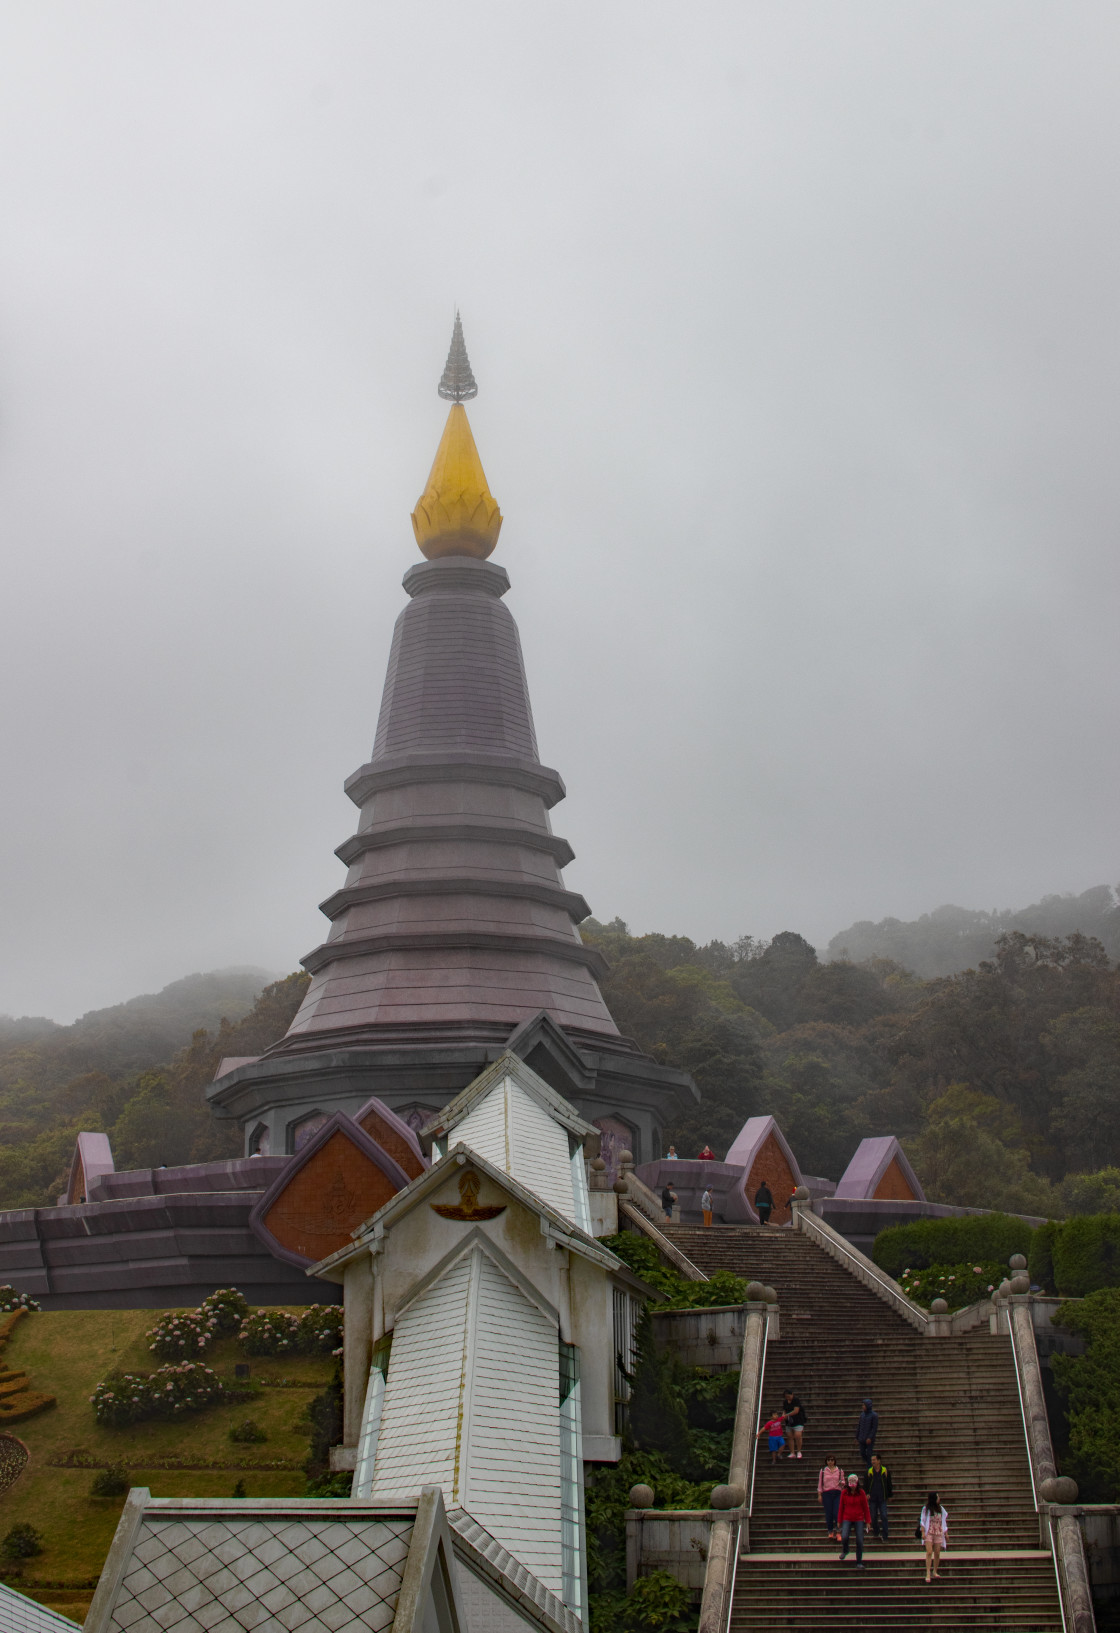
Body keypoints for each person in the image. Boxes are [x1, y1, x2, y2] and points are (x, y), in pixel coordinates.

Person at [837, 1473, 870, 1567]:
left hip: (859, 1518)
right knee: (844, 1536)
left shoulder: (861, 1493)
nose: (852, 1488)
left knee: (859, 1540)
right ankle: (845, 1550)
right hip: (847, 1517)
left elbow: (865, 1508)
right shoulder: (844, 1493)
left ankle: (859, 1561)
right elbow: (841, 1508)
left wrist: (868, 1521)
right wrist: (839, 1521)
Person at [863, 1453, 893, 1540]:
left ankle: (885, 1535)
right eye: (872, 1460)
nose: (873, 1462)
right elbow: (866, 1484)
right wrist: (867, 1493)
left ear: (879, 1461)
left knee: (884, 1515)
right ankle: (876, 1531)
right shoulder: (869, 1472)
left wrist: (890, 1495)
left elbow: (889, 1483)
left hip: (882, 1497)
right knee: (873, 1516)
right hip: (872, 1498)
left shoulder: (885, 1471)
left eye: (874, 1460)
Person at [919, 1491, 948, 1582]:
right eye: (937, 1497)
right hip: (929, 1532)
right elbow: (922, 1521)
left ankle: (935, 1571)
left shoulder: (941, 1509)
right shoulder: (926, 1509)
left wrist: (946, 1533)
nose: (939, 1498)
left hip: (938, 1532)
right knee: (929, 1551)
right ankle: (928, 1572)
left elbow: (944, 1521)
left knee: (937, 1552)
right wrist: (923, 1532)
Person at [817, 1454, 845, 1540]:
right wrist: (819, 1494)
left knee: (836, 1513)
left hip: (837, 1493)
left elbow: (843, 1482)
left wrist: (842, 1483)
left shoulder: (839, 1470)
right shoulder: (823, 1471)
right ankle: (830, 1531)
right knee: (828, 1513)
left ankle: (839, 1531)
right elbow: (820, 1483)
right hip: (827, 1493)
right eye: (829, 1460)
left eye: (832, 1460)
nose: (830, 1462)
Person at [781, 1390, 806, 1459]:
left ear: (792, 1394)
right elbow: (784, 1410)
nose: (788, 1398)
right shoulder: (785, 1402)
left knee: (797, 1435)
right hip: (789, 1422)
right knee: (789, 1436)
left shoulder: (796, 1400)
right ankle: (792, 1452)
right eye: (786, 1397)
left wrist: (786, 1415)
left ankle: (799, 1451)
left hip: (798, 1420)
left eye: (789, 1396)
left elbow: (796, 1410)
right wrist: (783, 1416)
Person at [856, 1397, 878, 1463]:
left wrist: (870, 1437)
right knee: (862, 1453)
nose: (863, 1407)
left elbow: (874, 1428)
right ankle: (869, 1463)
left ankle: (869, 1466)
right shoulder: (862, 1415)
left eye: (864, 1405)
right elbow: (859, 1426)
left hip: (869, 1439)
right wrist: (857, 1437)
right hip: (862, 1438)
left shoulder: (874, 1415)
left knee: (869, 1453)